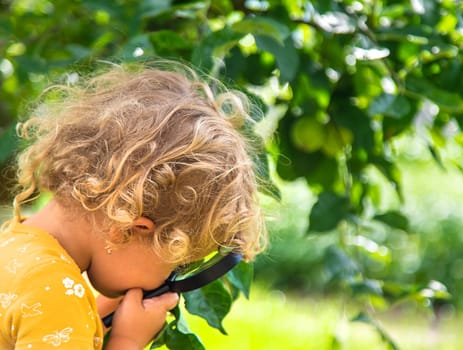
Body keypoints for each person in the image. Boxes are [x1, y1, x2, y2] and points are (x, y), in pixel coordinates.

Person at [0, 60, 266, 349]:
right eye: (175, 263)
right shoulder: (57, 298)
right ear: (131, 227)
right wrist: (127, 341)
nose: (166, 282)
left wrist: (89, 318)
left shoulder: (13, 246)